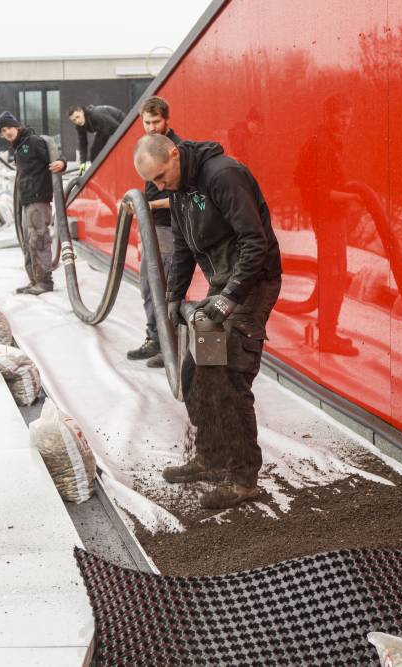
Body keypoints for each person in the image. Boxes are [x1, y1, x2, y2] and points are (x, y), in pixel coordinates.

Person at [133, 133, 283, 510]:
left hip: (252, 283)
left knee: (229, 377)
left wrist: (231, 297)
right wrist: (172, 296)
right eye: (153, 183)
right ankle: (211, 458)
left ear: (173, 154)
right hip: (223, 283)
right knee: (197, 374)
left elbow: (255, 241)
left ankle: (243, 479)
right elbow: (183, 246)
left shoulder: (223, 175)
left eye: (162, 177)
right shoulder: (182, 188)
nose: (159, 187)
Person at [294, 93, 360, 356]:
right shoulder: (322, 145)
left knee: (333, 275)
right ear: (328, 116)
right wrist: (354, 197)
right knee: (334, 277)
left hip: (331, 219)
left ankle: (328, 332)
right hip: (329, 219)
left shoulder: (325, 142)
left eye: (349, 117)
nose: (346, 122)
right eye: (341, 116)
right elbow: (321, 193)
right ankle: (328, 337)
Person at [126, 96, 184, 368]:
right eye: (147, 122)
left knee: (168, 287)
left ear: (166, 120)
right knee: (149, 287)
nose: (151, 127)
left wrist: (146, 205)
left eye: (156, 122)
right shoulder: (147, 147)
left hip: (170, 228)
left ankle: (171, 345)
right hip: (151, 227)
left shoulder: (176, 149)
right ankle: (155, 338)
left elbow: (182, 196)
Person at [0, 111, 67, 295]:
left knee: (38, 239)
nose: (8, 132)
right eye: (4, 130)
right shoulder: (19, 147)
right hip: (27, 200)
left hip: (38, 199)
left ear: (17, 126)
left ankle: (44, 282)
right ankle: (34, 280)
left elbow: (55, 158)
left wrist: (62, 163)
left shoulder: (33, 142)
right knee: (28, 241)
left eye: (10, 127)